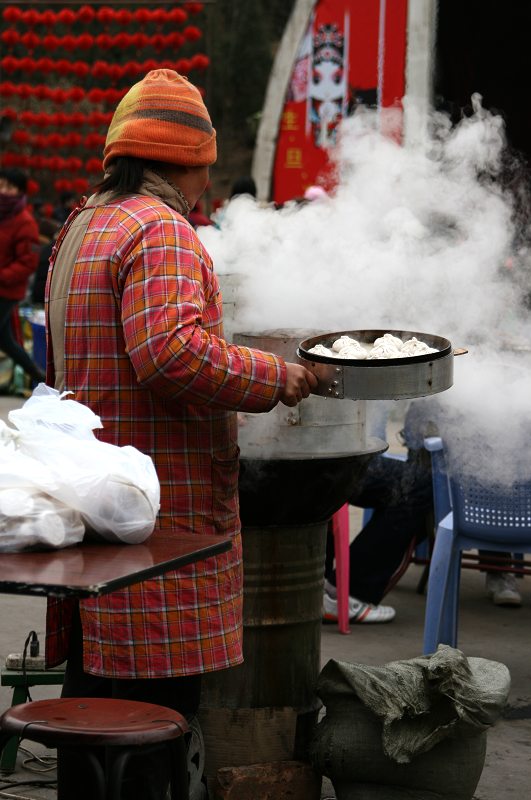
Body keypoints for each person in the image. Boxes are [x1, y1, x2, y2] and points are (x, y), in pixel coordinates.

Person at [44, 69, 317, 800]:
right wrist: (274, 377)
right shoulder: (161, 229)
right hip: (160, 530)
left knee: (92, 707)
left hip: (98, 513)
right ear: (193, 161)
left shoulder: (85, 224)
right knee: (151, 722)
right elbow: (169, 352)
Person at [323, 432, 433, 624]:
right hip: (320, 460)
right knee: (419, 486)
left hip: (320, 450)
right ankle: (346, 594)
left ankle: (324, 590)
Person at [0, 168, 46, 385]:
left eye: (8, 187)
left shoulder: (24, 221)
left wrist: (2, 276)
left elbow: (28, 262)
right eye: (1, 185)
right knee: (6, 341)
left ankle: (40, 379)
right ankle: (40, 378)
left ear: (19, 192)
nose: (3, 191)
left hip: (6, 290)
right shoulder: (3, 216)